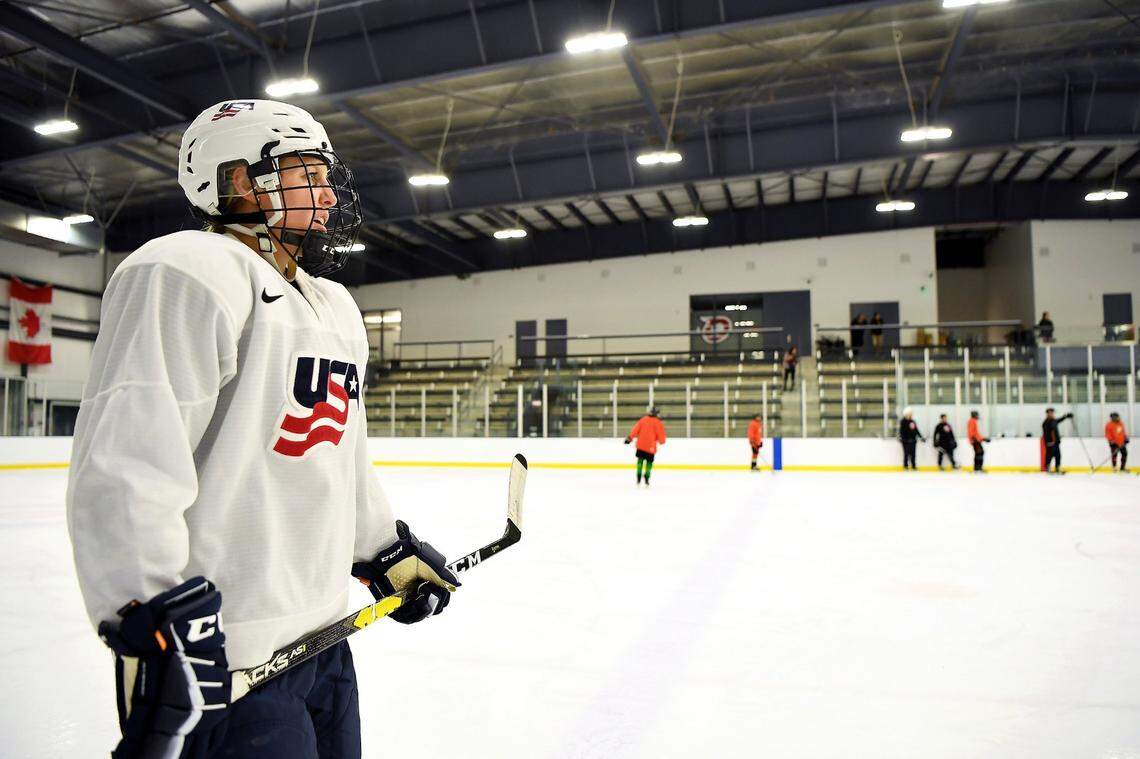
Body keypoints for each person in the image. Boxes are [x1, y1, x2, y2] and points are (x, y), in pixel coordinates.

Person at [66, 100, 460, 759]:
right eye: (309, 170)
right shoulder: (184, 269)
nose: (330, 192)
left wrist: (383, 547)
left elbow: (338, 456)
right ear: (240, 180)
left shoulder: (333, 302)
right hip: (225, 657)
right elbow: (129, 460)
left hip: (322, 637)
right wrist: (152, 612)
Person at [625, 406, 667, 485]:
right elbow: (661, 436)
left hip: (641, 445)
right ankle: (647, 476)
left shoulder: (643, 419)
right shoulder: (658, 423)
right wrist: (662, 441)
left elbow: (635, 430)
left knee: (640, 461)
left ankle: (638, 476)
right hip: (651, 447)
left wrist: (629, 438)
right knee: (649, 462)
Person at [1042, 407, 1073, 473]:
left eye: (1052, 413)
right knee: (1049, 455)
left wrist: (1066, 416)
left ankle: (1057, 467)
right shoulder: (1046, 423)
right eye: (1050, 413)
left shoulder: (1054, 421)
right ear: (1047, 414)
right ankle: (1047, 467)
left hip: (1056, 442)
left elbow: (1060, 420)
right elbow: (1046, 434)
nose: (1052, 414)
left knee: (1058, 455)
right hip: (1050, 443)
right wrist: (1049, 442)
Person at [898, 406, 925, 471]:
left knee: (913, 454)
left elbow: (916, 430)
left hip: (913, 440)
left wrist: (921, 437)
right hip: (906, 441)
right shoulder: (903, 421)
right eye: (910, 413)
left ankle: (913, 466)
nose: (911, 415)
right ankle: (905, 466)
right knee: (906, 454)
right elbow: (902, 431)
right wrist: (902, 438)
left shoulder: (913, 421)